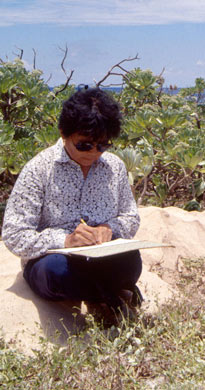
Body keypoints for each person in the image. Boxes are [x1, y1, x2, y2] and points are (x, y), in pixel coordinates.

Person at [2, 88, 142, 317]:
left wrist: (109, 229)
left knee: (132, 263)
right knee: (57, 274)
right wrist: (65, 240)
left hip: (101, 256)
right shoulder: (39, 169)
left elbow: (130, 216)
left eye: (103, 145)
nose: (94, 152)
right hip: (54, 259)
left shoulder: (114, 167)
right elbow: (14, 234)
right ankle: (108, 294)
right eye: (84, 145)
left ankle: (102, 293)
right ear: (63, 133)